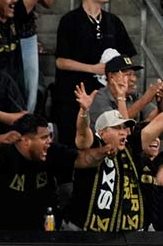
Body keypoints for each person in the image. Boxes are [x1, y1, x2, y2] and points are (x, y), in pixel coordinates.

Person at [0, 113, 112, 230]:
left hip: (44, 232)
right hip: (5, 232)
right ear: (26, 141)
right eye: (43, 138)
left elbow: (83, 160)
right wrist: (0, 139)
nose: (49, 141)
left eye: (49, 136)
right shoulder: (6, 153)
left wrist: (107, 150)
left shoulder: (52, 151)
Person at [66, 86, 163, 231]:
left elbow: (158, 123)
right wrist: (84, 111)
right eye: (117, 128)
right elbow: (82, 135)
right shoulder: (92, 147)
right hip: (86, 233)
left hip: (129, 235)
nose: (123, 132)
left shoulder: (132, 147)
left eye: (125, 128)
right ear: (102, 132)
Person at [52, 0, 136, 148]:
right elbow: (61, 61)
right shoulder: (70, 20)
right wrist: (93, 68)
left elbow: (128, 57)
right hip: (74, 96)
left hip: (105, 98)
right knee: (76, 144)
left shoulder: (113, 21)